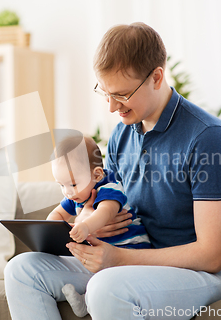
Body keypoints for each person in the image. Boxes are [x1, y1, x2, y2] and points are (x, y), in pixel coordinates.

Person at [4, 22, 221, 320]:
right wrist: (94, 221)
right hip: (135, 263)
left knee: (106, 288)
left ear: (156, 77)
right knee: (22, 270)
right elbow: (109, 201)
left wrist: (119, 258)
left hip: (211, 276)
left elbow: (211, 256)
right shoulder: (122, 135)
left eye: (121, 95)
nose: (111, 107)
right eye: (104, 93)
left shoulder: (209, 138)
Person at [48, 135, 151, 317]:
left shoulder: (110, 188)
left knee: (107, 279)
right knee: (94, 263)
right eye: (61, 185)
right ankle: (84, 302)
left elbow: (105, 212)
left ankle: (86, 300)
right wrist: (47, 229)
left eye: (72, 184)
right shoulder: (76, 194)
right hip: (103, 254)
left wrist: (86, 226)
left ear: (97, 174)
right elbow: (57, 214)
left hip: (131, 251)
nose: (67, 192)